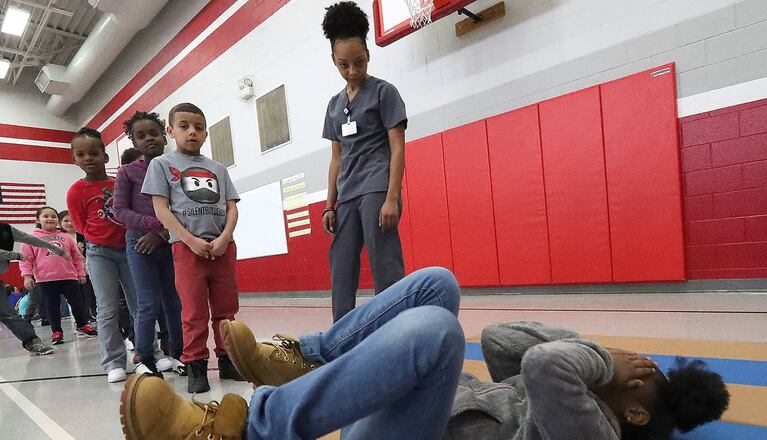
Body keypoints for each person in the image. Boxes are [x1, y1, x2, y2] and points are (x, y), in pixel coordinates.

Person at [120, 267, 729, 440]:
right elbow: (503, 341)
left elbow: (545, 366)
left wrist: (598, 356)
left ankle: (250, 431)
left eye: (642, 377)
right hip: (404, 415)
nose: (632, 365)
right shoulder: (581, 388)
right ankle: (307, 356)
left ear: (638, 412)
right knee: (438, 285)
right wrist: (601, 358)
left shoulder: (596, 430)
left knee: (438, 333)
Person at [141, 102, 243, 393]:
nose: (192, 132)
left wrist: (224, 238)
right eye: (184, 126)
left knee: (226, 309)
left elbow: (231, 207)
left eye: (198, 127)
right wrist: (190, 240)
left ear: (206, 134)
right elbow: (161, 209)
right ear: (171, 131)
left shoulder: (218, 169)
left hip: (222, 248)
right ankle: (196, 364)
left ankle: (228, 359)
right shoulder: (161, 165)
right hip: (188, 250)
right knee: (194, 312)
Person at [320, 2, 408, 322]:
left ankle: (395, 328)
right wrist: (329, 205)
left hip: (376, 190)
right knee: (341, 266)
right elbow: (336, 159)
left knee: (385, 265)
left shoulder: (385, 93)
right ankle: (342, 334)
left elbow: (397, 148)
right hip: (347, 196)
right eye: (344, 65)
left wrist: (392, 198)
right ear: (334, 60)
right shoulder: (334, 106)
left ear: (368, 54)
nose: (352, 71)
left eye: (359, 62)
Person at [66, 127, 140, 383]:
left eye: (94, 153)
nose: (88, 158)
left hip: (129, 250)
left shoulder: (120, 182)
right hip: (99, 254)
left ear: (105, 156)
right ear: (74, 159)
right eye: (81, 154)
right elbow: (80, 225)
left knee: (139, 304)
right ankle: (113, 362)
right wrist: (99, 240)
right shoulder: (76, 191)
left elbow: (131, 211)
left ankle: (147, 354)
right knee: (107, 308)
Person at [114, 110, 184, 377]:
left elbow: (182, 206)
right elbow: (119, 210)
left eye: (154, 133)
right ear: (134, 142)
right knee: (148, 303)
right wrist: (155, 226)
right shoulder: (128, 172)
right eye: (141, 136)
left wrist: (163, 232)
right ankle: (144, 356)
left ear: (164, 136)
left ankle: (178, 353)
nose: (149, 139)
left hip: (171, 240)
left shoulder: (176, 169)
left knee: (174, 302)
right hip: (139, 244)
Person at [19, 207, 97, 345]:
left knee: (77, 303)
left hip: (69, 277)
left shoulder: (66, 236)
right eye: (46, 216)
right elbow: (26, 259)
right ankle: (56, 331)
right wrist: (27, 276)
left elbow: (76, 257)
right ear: (37, 220)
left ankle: (82, 325)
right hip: (46, 279)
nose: (50, 219)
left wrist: (80, 273)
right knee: (52, 306)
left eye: (53, 216)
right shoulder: (30, 238)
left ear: (58, 220)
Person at [0, 222, 62, 355]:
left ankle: (32, 341)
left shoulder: (6, 229)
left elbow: (30, 239)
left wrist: (56, 249)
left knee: (9, 314)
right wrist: (17, 256)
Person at [58, 210, 96, 319]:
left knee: (90, 295)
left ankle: (93, 315)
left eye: (72, 221)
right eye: (66, 221)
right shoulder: (59, 237)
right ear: (60, 223)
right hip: (69, 272)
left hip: (86, 270)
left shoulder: (84, 235)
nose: (69, 223)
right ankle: (82, 319)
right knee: (76, 298)